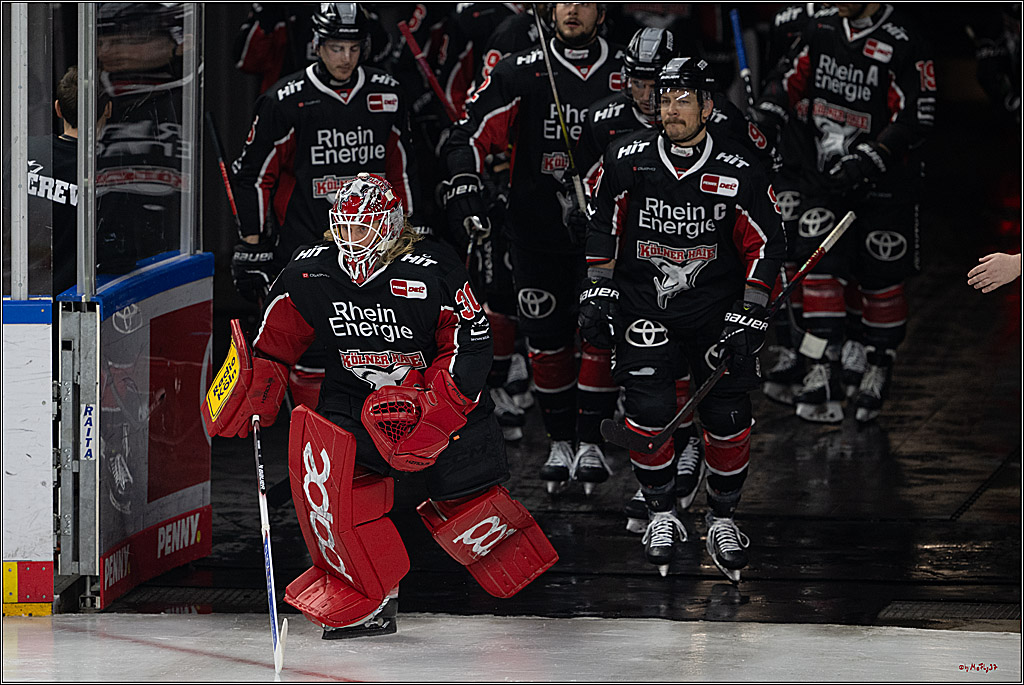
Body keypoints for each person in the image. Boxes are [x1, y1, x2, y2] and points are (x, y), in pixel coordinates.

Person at [201, 173, 557, 639]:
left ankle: (513, 570)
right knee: (334, 493)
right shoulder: (310, 272)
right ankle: (371, 597)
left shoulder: (433, 268)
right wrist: (255, 383)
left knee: (469, 502)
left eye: (362, 228)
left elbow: (470, 345)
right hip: (353, 398)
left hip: (431, 396)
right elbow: (273, 340)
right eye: (343, 228)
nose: (352, 240)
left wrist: (437, 412)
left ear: (389, 224)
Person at [581, 57, 785, 581]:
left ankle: (722, 519)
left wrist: (753, 309)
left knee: (727, 418)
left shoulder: (739, 168)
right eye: (665, 100)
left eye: (683, 100)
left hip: (718, 313)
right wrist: (598, 288)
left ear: (708, 107)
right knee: (648, 414)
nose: (670, 109)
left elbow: (766, 243)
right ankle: (662, 513)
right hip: (645, 310)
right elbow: (604, 224)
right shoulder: (626, 159)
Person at [442, 2, 625, 495]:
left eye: (585, 2)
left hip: (607, 236)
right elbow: (467, 134)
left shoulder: (627, 69)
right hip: (535, 230)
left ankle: (591, 442)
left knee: (600, 333)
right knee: (545, 341)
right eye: (563, 0)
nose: (573, 11)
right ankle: (560, 442)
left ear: (602, 12)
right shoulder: (518, 67)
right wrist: (464, 181)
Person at [752, 2, 936, 423]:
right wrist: (765, 117)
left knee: (880, 281)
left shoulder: (904, 41)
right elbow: (785, 82)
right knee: (816, 267)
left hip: (885, 183)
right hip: (828, 177)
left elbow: (916, 117)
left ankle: (878, 366)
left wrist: (873, 155)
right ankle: (821, 366)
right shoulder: (821, 29)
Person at [230, 1, 418, 408]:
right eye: (336, 47)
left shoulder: (387, 91)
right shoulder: (284, 98)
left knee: (379, 348)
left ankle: (368, 446)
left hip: (377, 247)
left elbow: (401, 166)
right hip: (306, 242)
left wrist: (409, 231)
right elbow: (254, 175)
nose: (345, 58)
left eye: (353, 48)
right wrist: (251, 243)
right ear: (317, 44)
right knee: (311, 348)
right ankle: (314, 447)